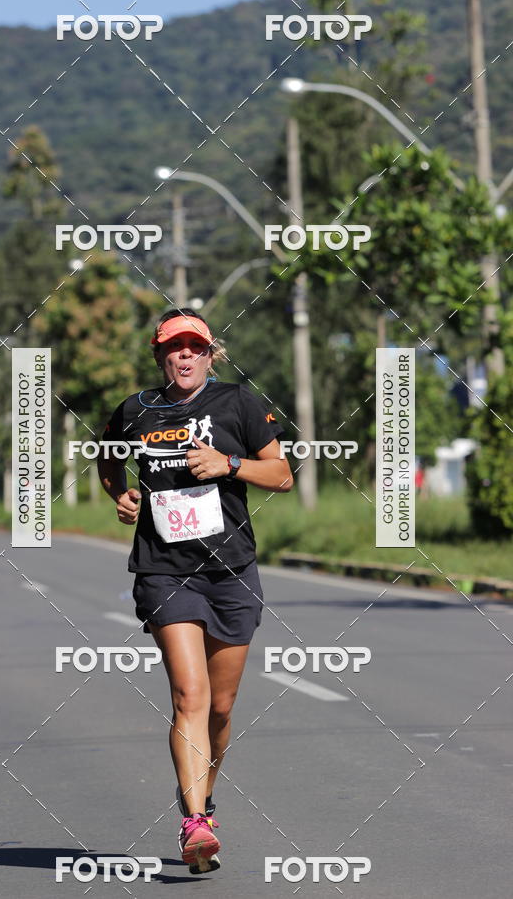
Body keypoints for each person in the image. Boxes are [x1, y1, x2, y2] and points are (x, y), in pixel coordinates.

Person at [98, 309, 293, 874]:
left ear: (210, 355)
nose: (184, 355)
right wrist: (122, 494)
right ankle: (195, 822)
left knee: (221, 709)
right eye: (173, 347)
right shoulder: (135, 410)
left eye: (195, 347)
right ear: (159, 355)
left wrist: (229, 463)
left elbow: (281, 474)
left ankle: (203, 796)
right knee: (190, 695)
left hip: (231, 570)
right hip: (164, 570)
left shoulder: (238, 403)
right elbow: (108, 459)